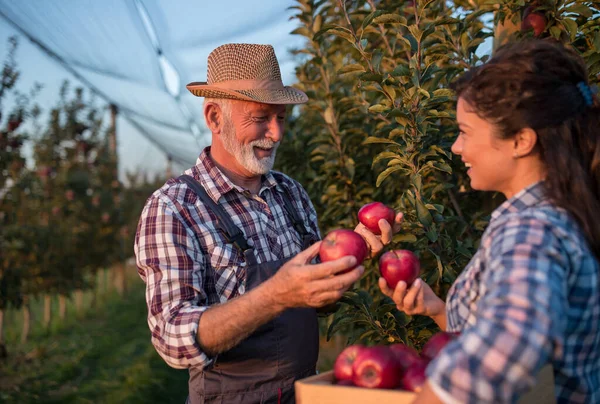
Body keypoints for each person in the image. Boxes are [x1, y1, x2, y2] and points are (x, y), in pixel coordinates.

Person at [134, 43, 402, 404]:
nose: (276, 134)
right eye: (261, 117)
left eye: (282, 118)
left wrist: (354, 254)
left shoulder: (290, 194)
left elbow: (317, 301)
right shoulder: (174, 209)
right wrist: (274, 296)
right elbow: (172, 339)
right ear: (214, 117)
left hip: (304, 393)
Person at [379, 40, 600, 403]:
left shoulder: (532, 229)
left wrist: (432, 398)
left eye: (465, 132)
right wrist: (438, 309)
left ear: (521, 141)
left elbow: (514, 341)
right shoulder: (566, 213)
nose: (455, 147)